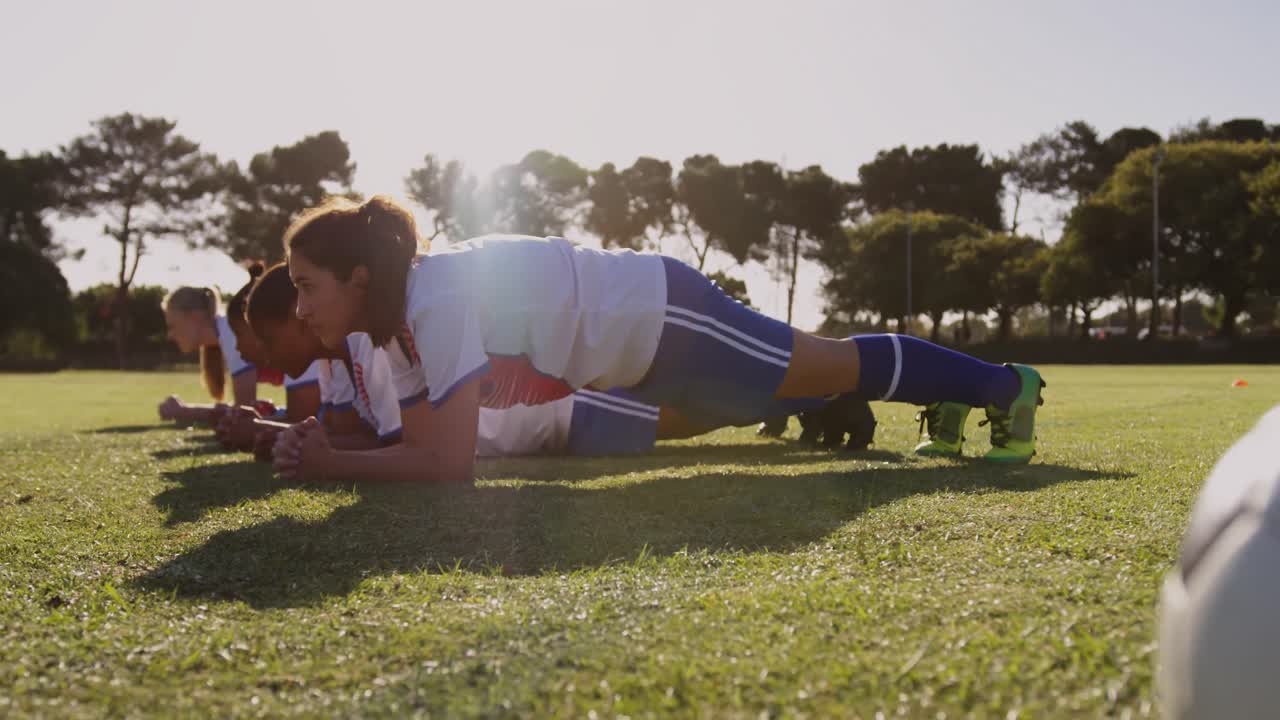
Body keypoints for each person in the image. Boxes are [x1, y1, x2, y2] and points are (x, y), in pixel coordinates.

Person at [274, 196, 1045, 483]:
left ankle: (1004, 387)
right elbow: (425, 447)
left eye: (308, 286)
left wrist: (331, 464)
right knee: (801, 385)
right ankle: (949, 399)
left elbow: (443, 466)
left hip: (659, 317)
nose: (301, 309)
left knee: (830, 365)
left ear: (360, 278)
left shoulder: (433, 300)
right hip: (631, 363)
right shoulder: (396, 333)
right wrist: (323, 450)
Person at [157, 279, 259, 426]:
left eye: (173, 326)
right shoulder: (225, 332)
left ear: (195, 317)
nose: (170, 335)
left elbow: (243, 413)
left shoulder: (231, 332)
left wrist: (184, 411)